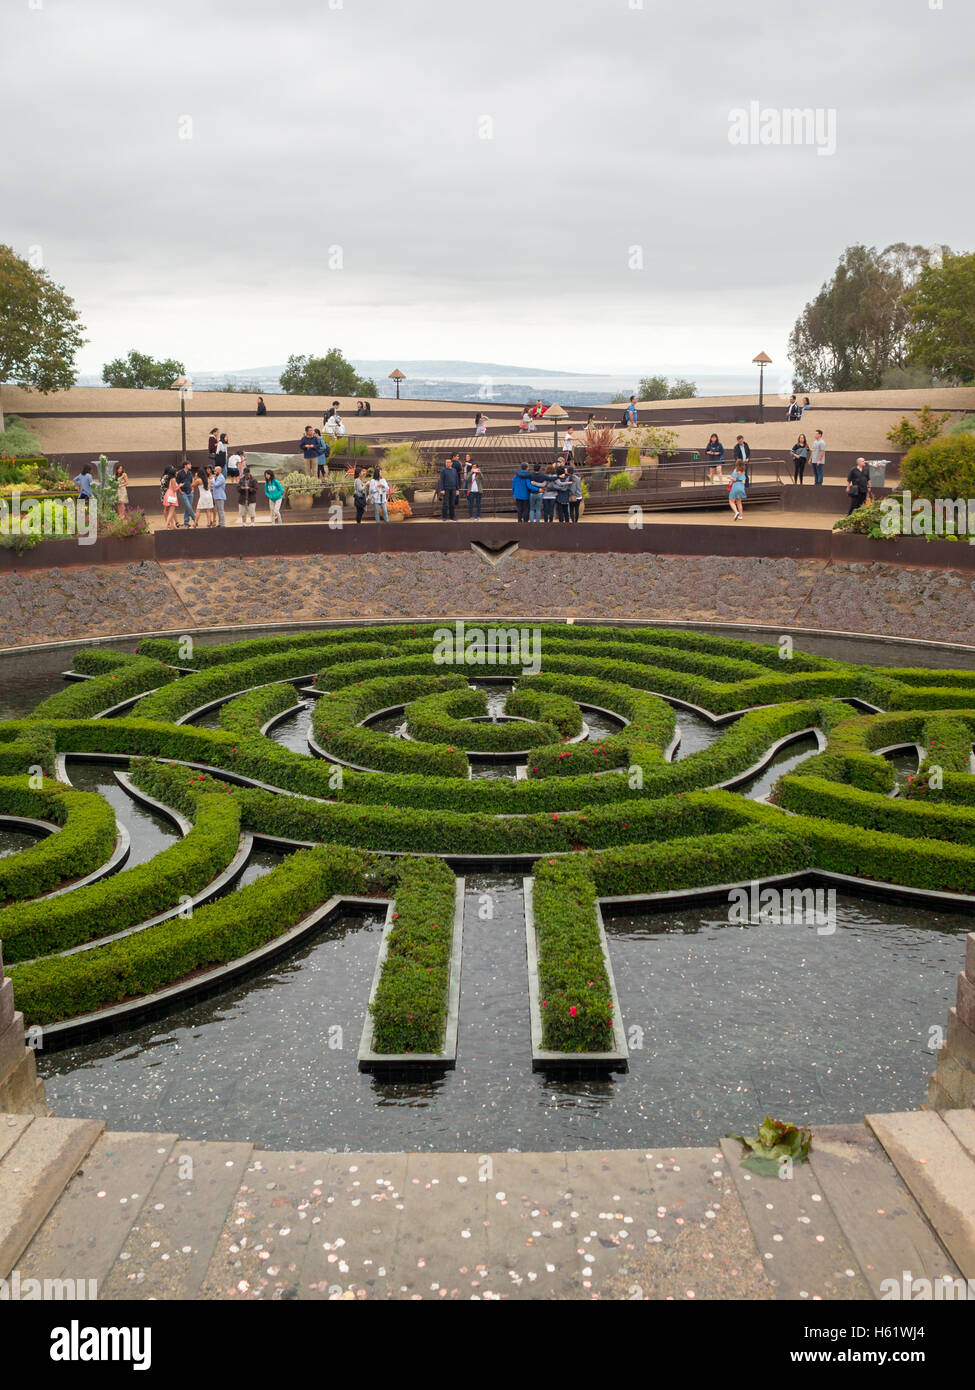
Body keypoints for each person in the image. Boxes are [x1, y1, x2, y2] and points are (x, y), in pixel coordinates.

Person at [175, 461, 196, 527]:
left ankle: (186, 522)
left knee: (187, 507)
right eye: (189, 464)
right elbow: (177, 483)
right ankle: (195, 519)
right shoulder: (180, 473)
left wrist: (192, 489)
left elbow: (192, 481)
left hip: (190, 492)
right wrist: (180, 491)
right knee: (188, 506)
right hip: (183, 493)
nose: (191, 465)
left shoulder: (190, 473)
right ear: (185, 465)